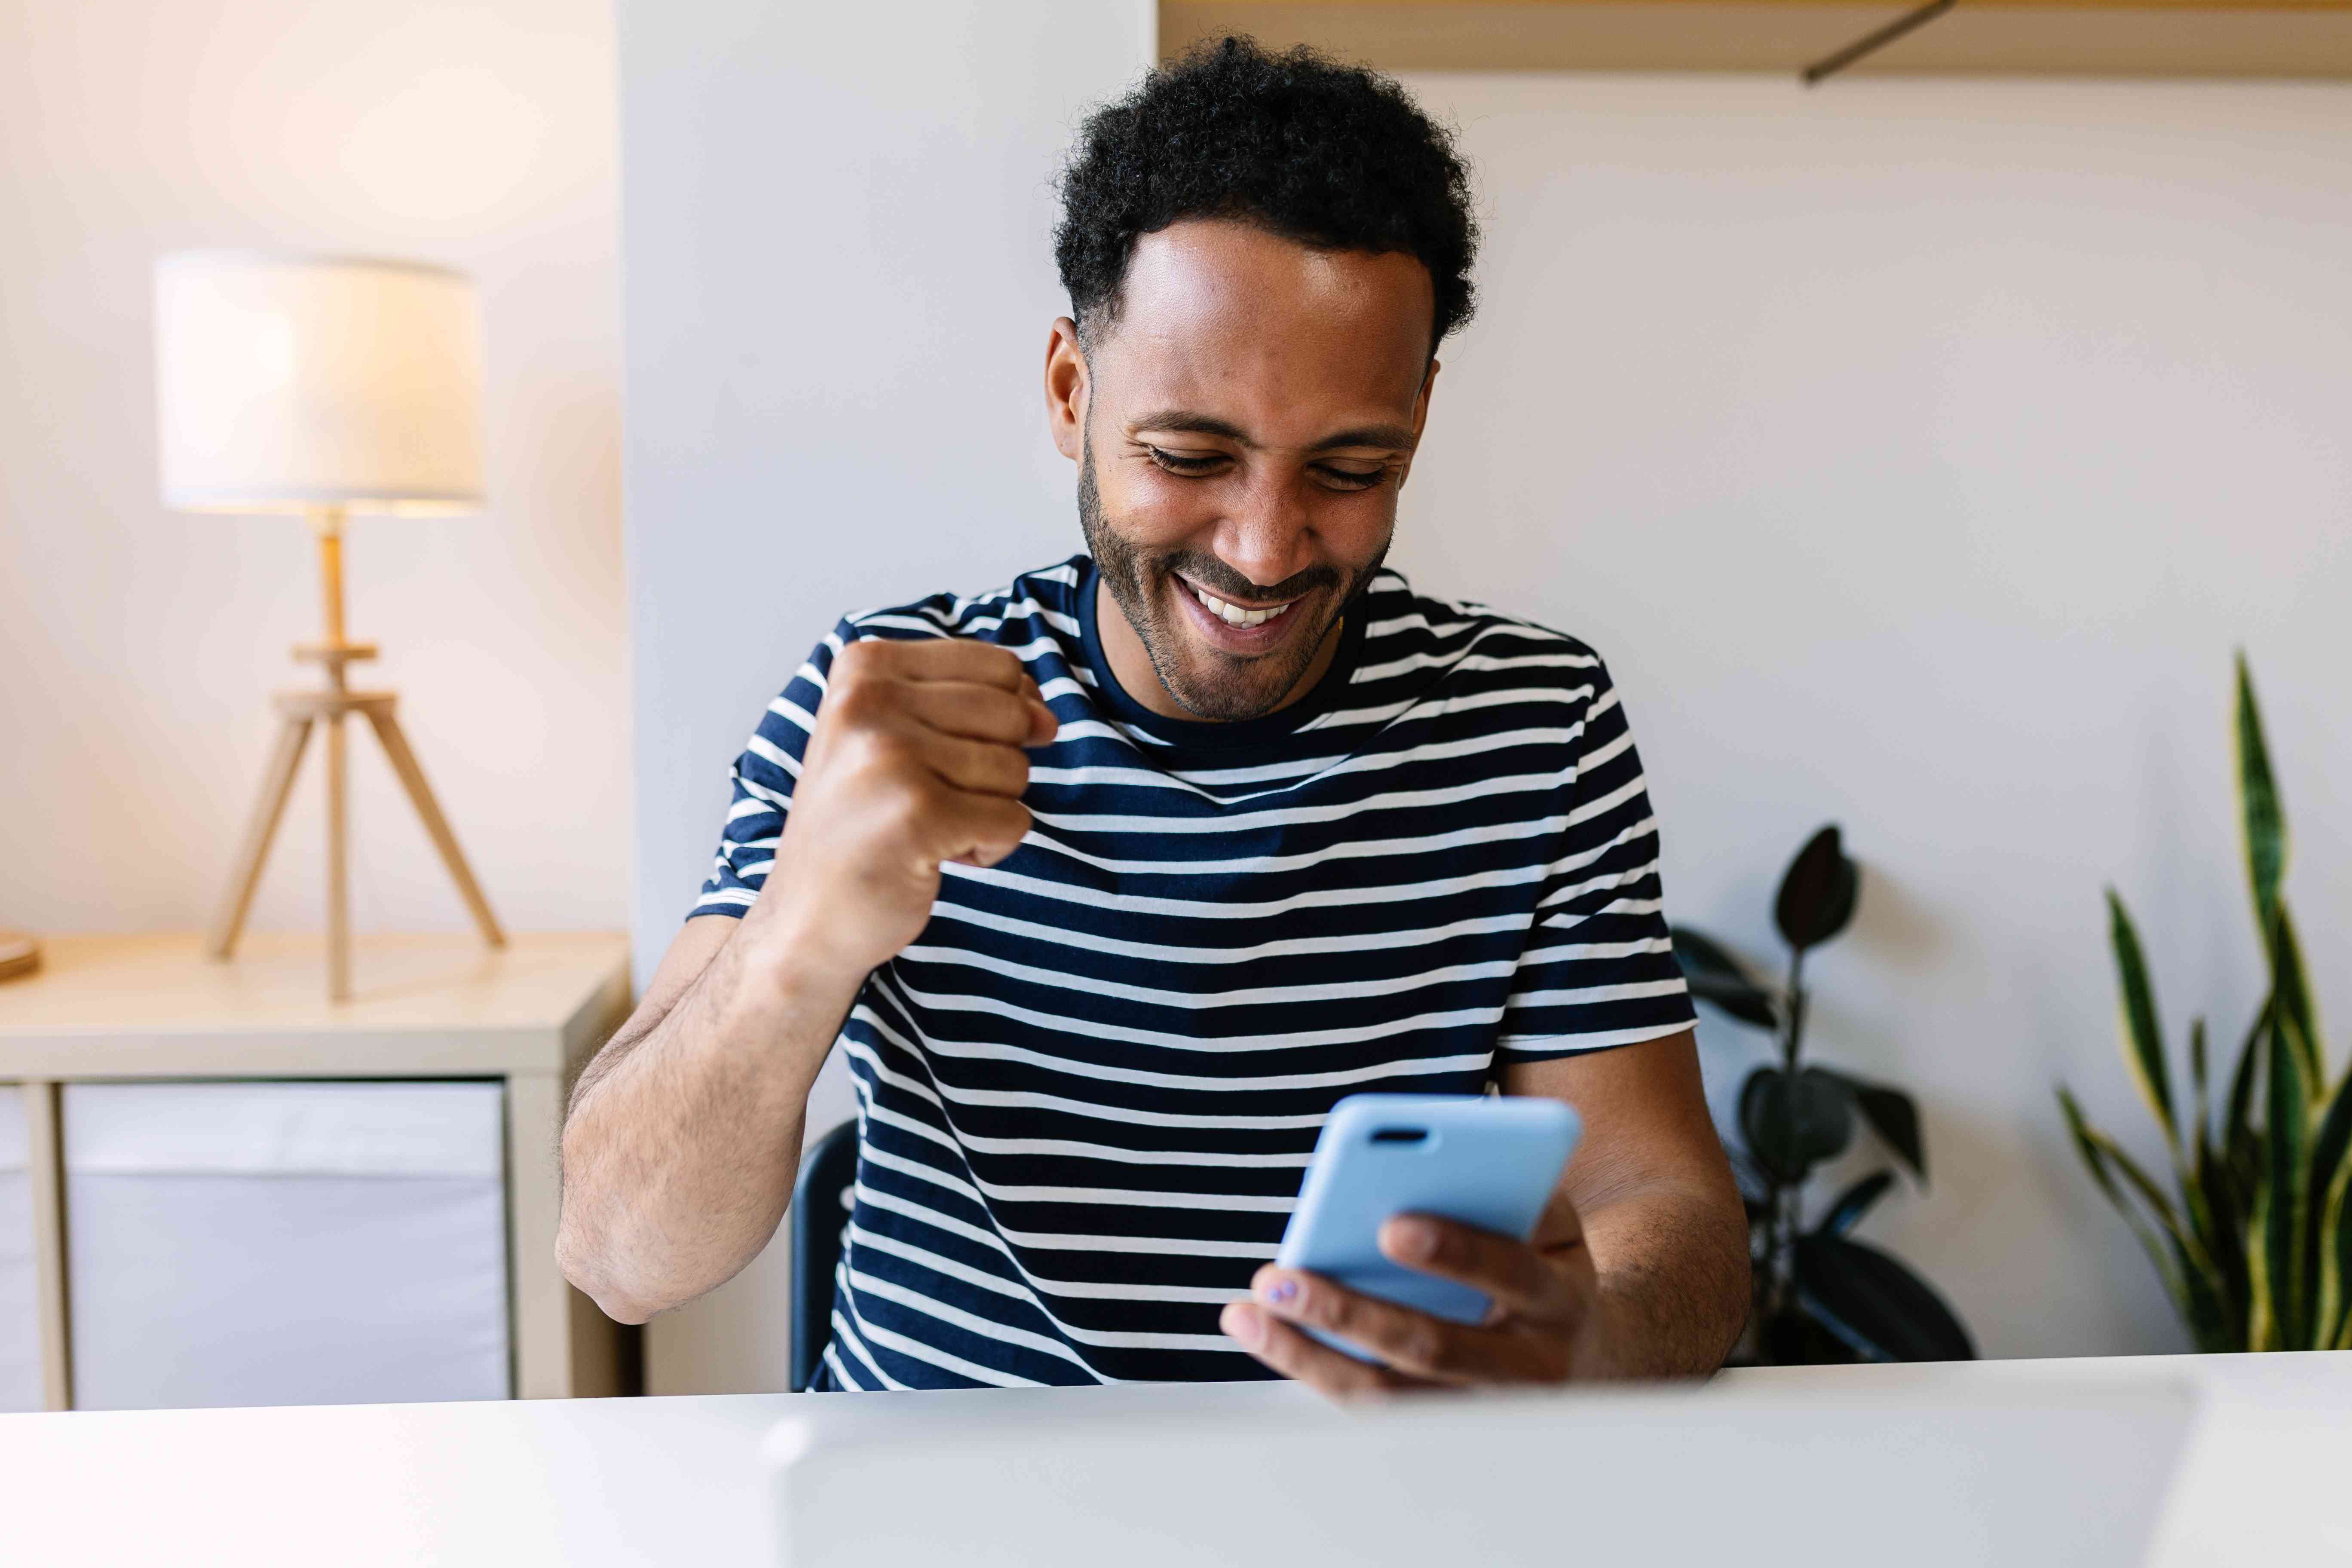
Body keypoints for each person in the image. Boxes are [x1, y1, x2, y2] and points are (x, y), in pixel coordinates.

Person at [557, 37, 1748, 1398]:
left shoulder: (1532, 727)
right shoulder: (882, 707)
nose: (1263, 546)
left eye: (1352, 468)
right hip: (942, 1504)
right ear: (1072, 391)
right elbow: (618, 1256)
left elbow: (1672, 1211)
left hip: (1353, 1508)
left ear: (1421, 413)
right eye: (1189, 455)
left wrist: (1597, 1328)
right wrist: (797, 938)